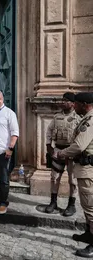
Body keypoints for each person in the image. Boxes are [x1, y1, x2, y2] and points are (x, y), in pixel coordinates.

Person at [56, 92, 93, 258]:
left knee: (91, 207)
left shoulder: (90, 121)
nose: (74, 106)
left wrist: (62, 153)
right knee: (87, 205)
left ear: (84, 104)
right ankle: (88, 233)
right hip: (83, 168)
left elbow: (78, 146)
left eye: (76, 103)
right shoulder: (86, 118)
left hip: (87, 169)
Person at [45, 92, 80, 216]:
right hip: (58, 151)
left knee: (73, 180)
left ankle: (71, 205)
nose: (63, 102)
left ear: (72, 103)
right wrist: (49, 146)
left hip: (72, 153)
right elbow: (49, 130)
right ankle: (53, 202)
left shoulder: (78, 117)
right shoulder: (57, 117)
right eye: (62, 100)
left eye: (66, 100)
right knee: (54, 178)